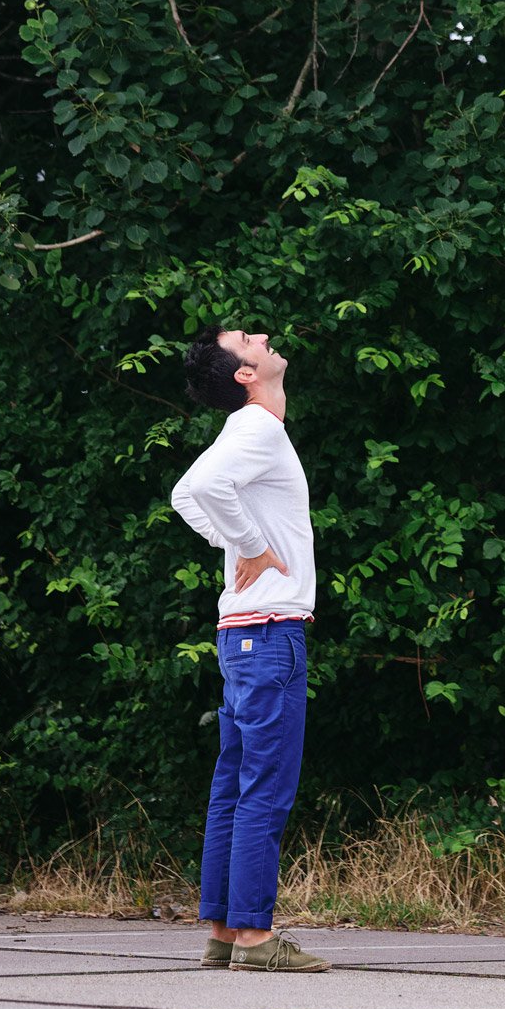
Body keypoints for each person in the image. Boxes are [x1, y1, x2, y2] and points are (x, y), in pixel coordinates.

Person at [170, 323, 329, 972]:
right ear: (245, 373)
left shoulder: (245, 434)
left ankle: (223, 934)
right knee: (264, 788)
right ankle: (257, 940)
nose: (262, 336)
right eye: (248, 339)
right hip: (269, 636)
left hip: (243, 637)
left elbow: (186, 493)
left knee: (235, 786)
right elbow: (199, 493)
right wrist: (254, 548)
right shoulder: (258, 428)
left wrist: (239, 543)